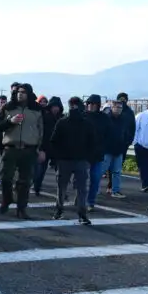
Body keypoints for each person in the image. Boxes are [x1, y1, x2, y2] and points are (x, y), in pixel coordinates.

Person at [0, 83, 44, 219]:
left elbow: (42, 130)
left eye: (23, 92)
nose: (20, 94)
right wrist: (10, 121)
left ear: (29, 94)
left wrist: (41, 149)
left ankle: (21, 208)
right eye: (18, 92)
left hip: (29, 149)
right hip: (10, 148)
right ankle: (7, 199)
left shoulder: (37, 109)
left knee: (25, 181)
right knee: (5, 178)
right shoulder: (7, 107)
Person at [48, 96, 95, 224]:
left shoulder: (64, 122)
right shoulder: (84, 123)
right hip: (74, 160)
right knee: (77, 189)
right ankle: (78, 214)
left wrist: (57, 157)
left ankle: (63, 211)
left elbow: (53, 141)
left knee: (66, 188)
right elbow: (92, 143)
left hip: (72, 160)